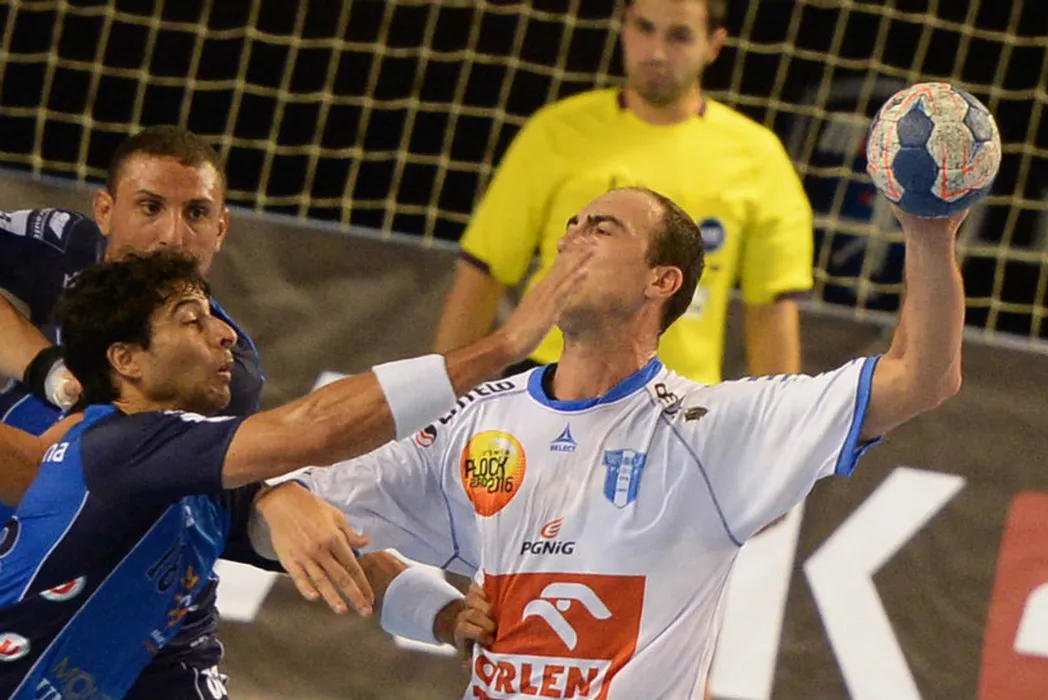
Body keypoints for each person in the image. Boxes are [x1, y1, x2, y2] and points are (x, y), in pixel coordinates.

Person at [253, 185, 966, 699]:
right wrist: (281, 502)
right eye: (570, 227)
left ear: (663, 280)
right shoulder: (475, 424)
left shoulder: (712, 431)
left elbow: (921, 378)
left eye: (601, 229)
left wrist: (928, 231)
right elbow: (297, 527)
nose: (572, 240)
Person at [0, 245, 590, 699]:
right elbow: (314, 430)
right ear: (125, 359)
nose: (225, 334)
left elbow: (347, 555)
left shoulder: (194, 490)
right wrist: (503, 345)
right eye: (192, 321)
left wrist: (448, 617)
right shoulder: (113, 445)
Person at [0, 126, 273, 698]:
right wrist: (47, 369)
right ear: (105, 211)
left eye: (196, 213)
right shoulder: (67, 250)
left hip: (119, 602)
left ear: (221, 228)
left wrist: (283, 498)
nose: (172, 235)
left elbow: (54, 479)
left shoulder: (222, 367)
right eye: (150, 208)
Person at [433, 0, 813, 386]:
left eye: (679, 36)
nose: (656, 52)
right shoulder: (557, 132)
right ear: (624, 26)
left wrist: (784, 422)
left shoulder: (758, 157)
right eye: (644, 28)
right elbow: (483, 271)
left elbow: (771, 309)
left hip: (681, 394)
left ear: (713, 45)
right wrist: (440, 402)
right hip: (552, 379)